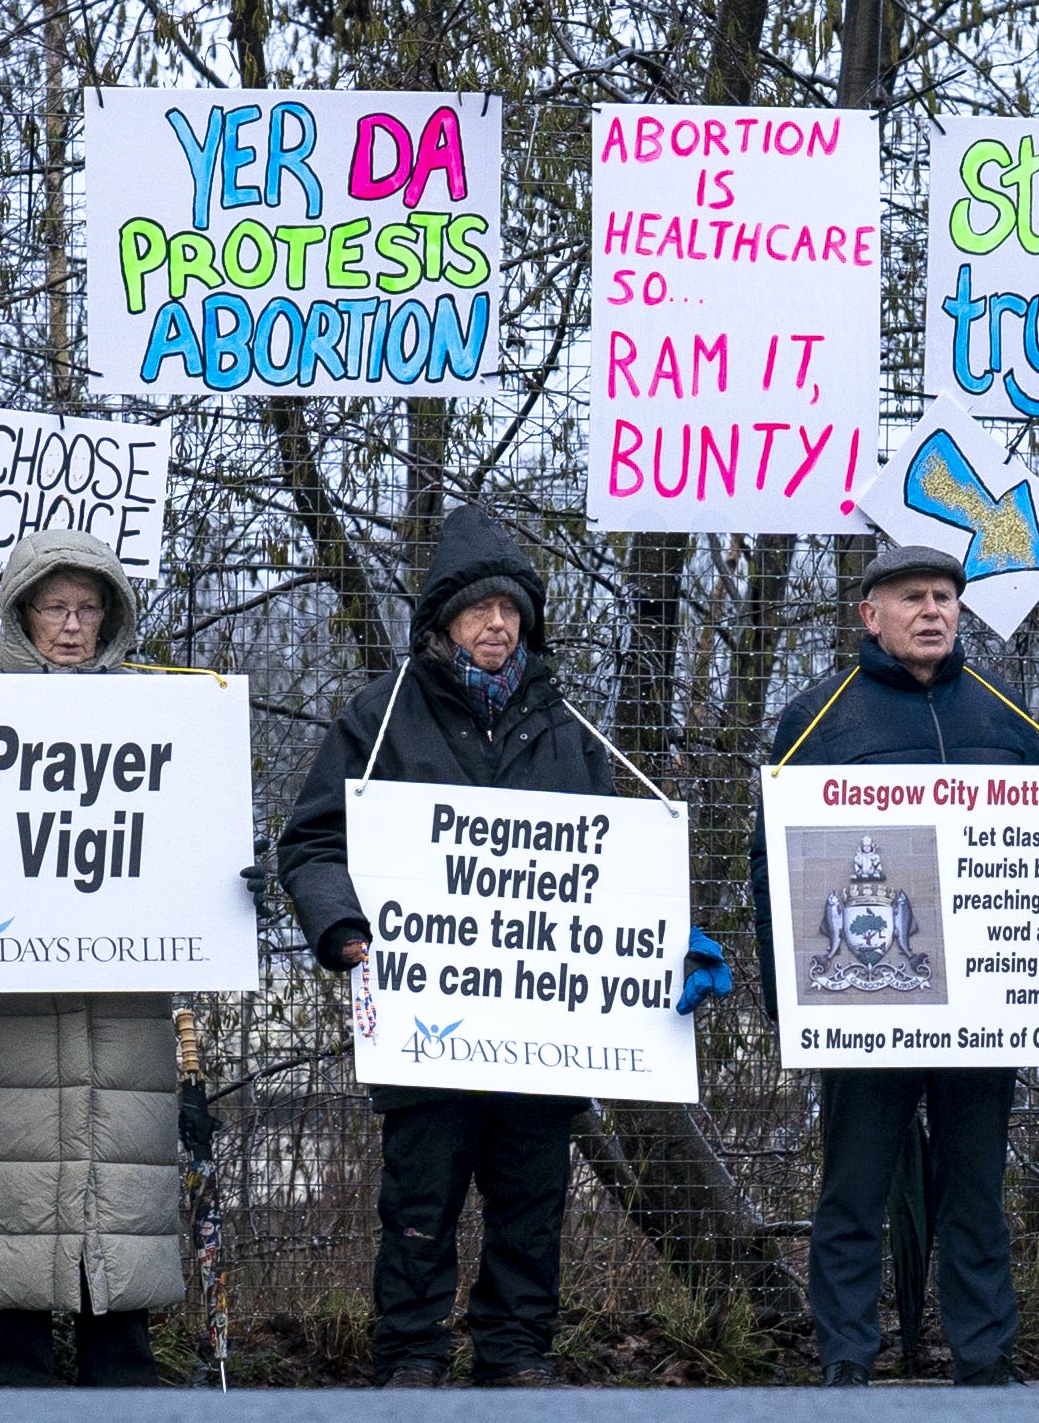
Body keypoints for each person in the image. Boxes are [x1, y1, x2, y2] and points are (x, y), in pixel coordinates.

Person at [278, 503, 729, 1389]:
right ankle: (409, 1358)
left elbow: (608, 868)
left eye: (512, 609)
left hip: (545, 1028)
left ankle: (516, 1357)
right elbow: (312, 845)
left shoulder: (568, 727)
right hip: (422, 1019)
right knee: (418, 1203)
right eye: (481, 609)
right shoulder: (381, 717)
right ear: (445, 619)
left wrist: (668, 938)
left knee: (532, 1203)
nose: (498, 624)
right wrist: (341, 930)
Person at [0, 532, 252, 1385]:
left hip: (120, 1007)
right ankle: (6, 1365)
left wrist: (226, 874)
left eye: (88, 607)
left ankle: (118, 1362)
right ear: (22, 612)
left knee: (116, 1183)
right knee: (5, 1184)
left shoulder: (164, 715)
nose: (71, 625)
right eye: (54, 606)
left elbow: (182, 833)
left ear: (112, 615)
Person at [750, 545, 1039, 1388]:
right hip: (862, 1000)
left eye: (946, 596)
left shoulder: (1005, 712)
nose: (933, 610)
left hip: (984, 1007)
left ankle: (986, 1363)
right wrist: (787, 995)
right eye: (912, 596)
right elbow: (770, 860)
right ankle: (846, 1362)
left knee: (977, 1191)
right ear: (868, 615)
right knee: (853, 1190)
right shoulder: (818, 716)